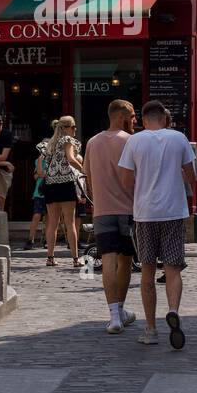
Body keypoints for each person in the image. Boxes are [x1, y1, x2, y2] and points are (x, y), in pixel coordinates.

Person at [118, 100, 197, 349]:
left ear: (143, 120)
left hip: (145, 213)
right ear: (164, 118)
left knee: (147, 272)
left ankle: (150, 329)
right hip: (173, 211)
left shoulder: (134, 141)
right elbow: (191, 175)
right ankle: (173, 309)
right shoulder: (179, 139)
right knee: (173, 269)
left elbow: (125, 180)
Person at [83, 99, 138, 335]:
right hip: (127, 208)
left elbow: (87, 177)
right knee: (125, 259)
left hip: (102, 209)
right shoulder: (131, 141)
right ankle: (121, 308)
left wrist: (98, 199)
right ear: (121, 116)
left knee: (108, 259)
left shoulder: (92, 142)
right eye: (132, 116)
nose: (135, 120)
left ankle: (114, 314)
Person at [41, 116, 85, 269]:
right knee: (70, 222)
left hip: (50, 184)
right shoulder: (67, 140)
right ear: (65, 128)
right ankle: (75, 258)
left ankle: (50, 257)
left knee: (52, 223)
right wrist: (84, 169)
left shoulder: (51, 143)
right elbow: (71, 159)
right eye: (73, 127)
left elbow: (44, 165)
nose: (75, 130)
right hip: (65, 184)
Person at [25, 149, 48, 249]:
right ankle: (30, 239)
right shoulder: (38, 160)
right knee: (36, 216)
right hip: (39, 193)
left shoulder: (52, 160)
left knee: (49, 218)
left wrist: (40, 174)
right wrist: (40, 160)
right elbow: (38, 174)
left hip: (50, 192)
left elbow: (43, 174)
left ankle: (47, 240)